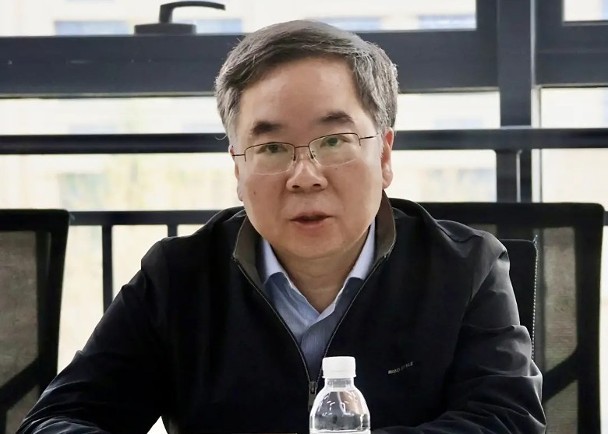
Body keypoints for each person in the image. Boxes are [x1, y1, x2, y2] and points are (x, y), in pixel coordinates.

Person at [18, 20, 545, 434]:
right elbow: (57, 420)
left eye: (333, 142)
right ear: (238, 169)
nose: (304, 176)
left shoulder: (464, 267)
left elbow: (507, 420)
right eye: (270, 148)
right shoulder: (178, 277)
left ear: (384, 155)